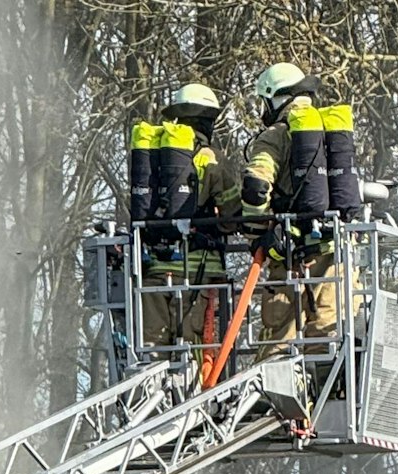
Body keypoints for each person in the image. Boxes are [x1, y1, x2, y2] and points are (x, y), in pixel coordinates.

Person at [240, 62, 339, 362]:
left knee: (278, 346)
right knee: (327, 342)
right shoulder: (330, 130)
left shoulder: (276, 135)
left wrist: (257, 235)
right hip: (335, 256)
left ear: (276, 98)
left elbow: (256, 186)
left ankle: (279, 395)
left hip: (291, 259)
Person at [141, 82, 240, 356]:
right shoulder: (210, 158)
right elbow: (232, 215)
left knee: (152, 349)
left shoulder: (153, 156)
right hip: (198, 272)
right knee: (194, 344)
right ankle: (196, 385)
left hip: (152, 269)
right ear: (207, 120)